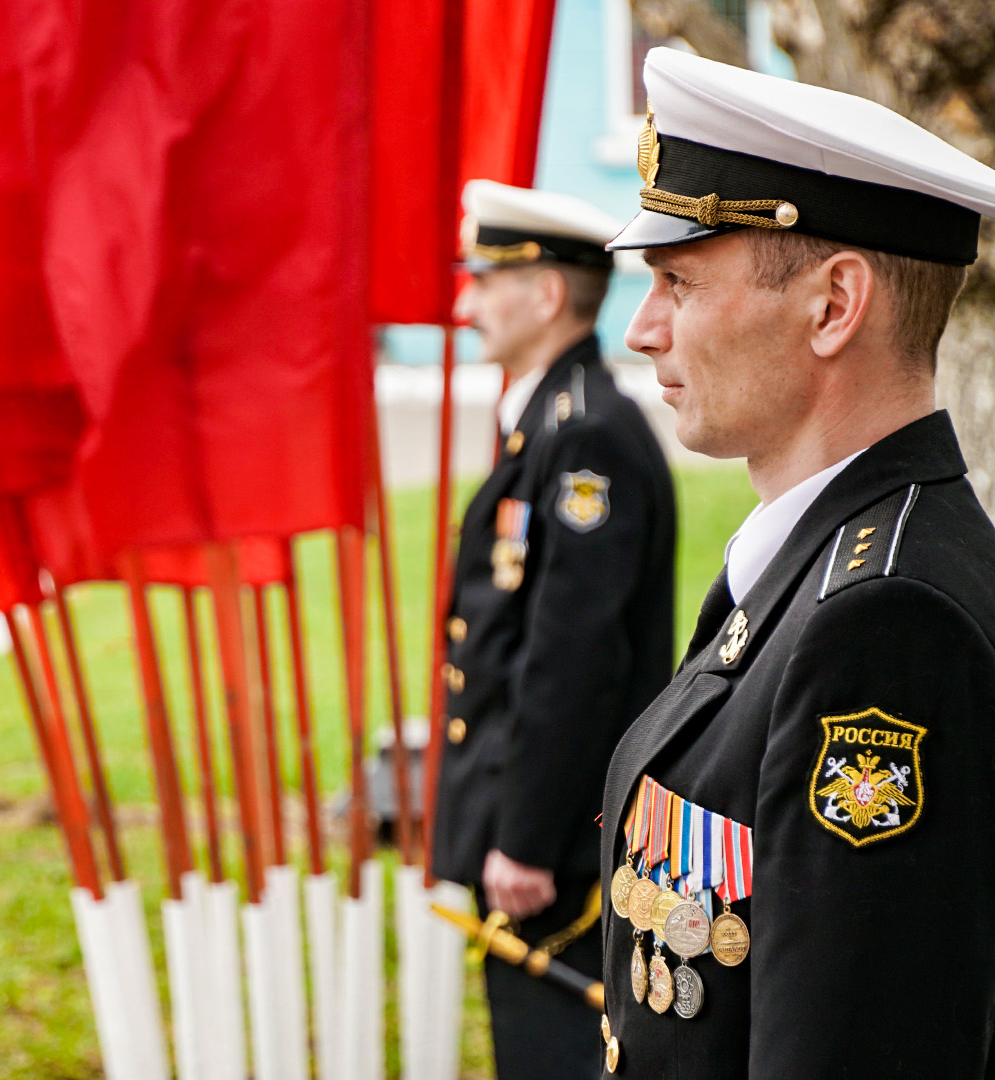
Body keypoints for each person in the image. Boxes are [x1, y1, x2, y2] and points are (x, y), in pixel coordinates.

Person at [592, 49, 995, 1078]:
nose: (641, 330)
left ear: (832, 306)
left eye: (678, 281)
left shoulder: (891, 632)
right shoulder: (818, 565)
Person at [431, 179, 677, 1079]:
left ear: (542, 294)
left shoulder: (586, 440)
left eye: (481, 282)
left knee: (555, 1054)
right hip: (532, 828)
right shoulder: (546, 425)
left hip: (557, 852)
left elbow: (573, 660)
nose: (464, 306)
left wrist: (528, 838)